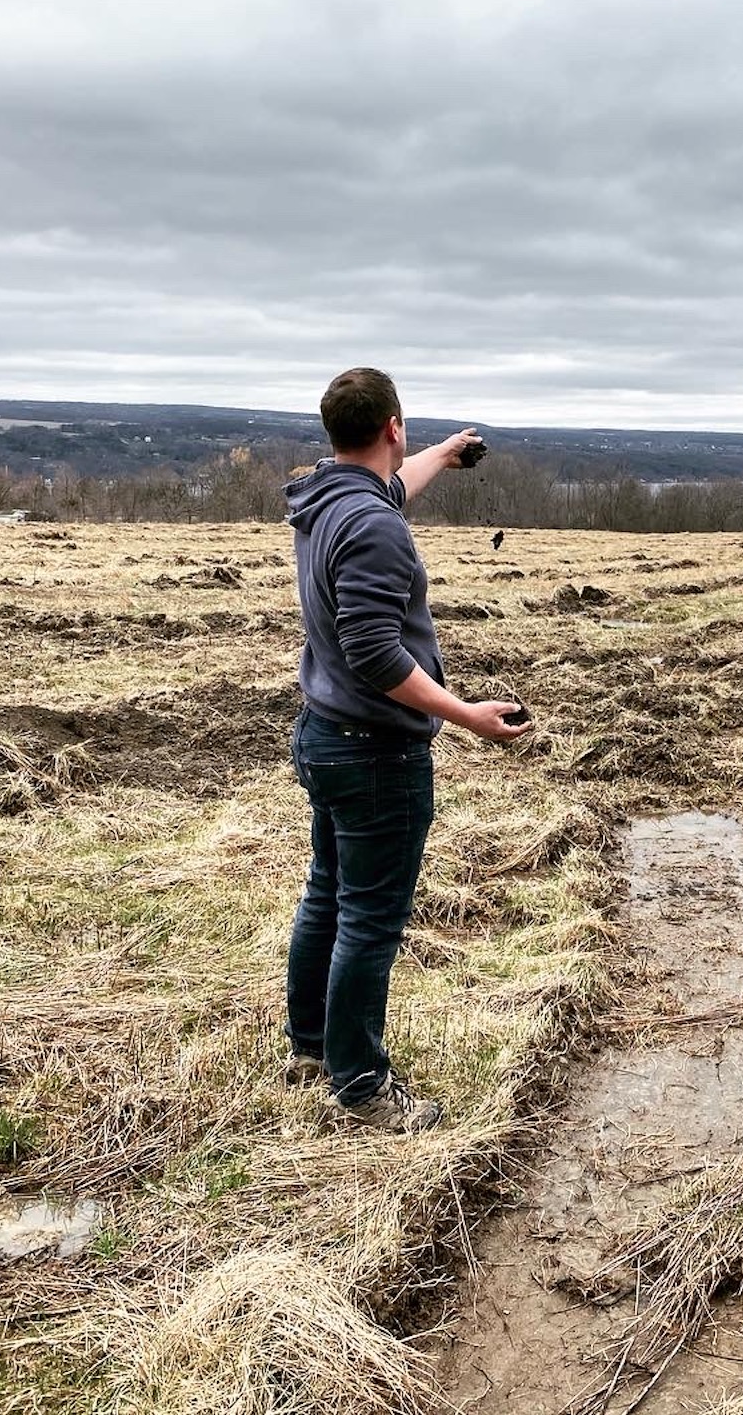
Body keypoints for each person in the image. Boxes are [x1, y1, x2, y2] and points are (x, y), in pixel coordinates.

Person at [282, 367, 532, 1132]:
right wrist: (466, 715)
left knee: (329, 891)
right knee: (368, 918)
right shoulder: (376, 527)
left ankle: (314, 1047)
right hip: (375, 752)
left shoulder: (324, 494)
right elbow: (376, 653)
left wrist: (447, 453)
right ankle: (360, 1087)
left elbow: (392, 485)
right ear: (394, 423)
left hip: (325, 735)